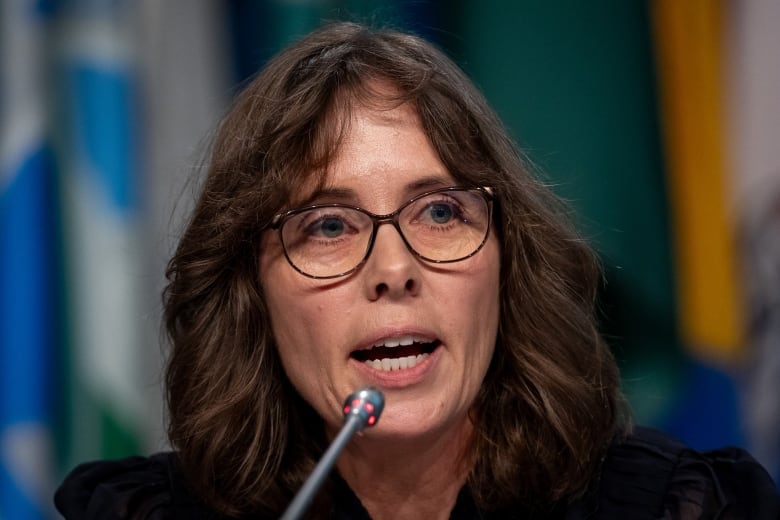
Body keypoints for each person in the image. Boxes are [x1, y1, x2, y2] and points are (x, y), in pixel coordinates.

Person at [54, 21, 779, 519]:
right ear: (250, 291)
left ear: (506, 264)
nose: (395, 268)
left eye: (439, 212)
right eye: (329, 226)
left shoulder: (665, 506)